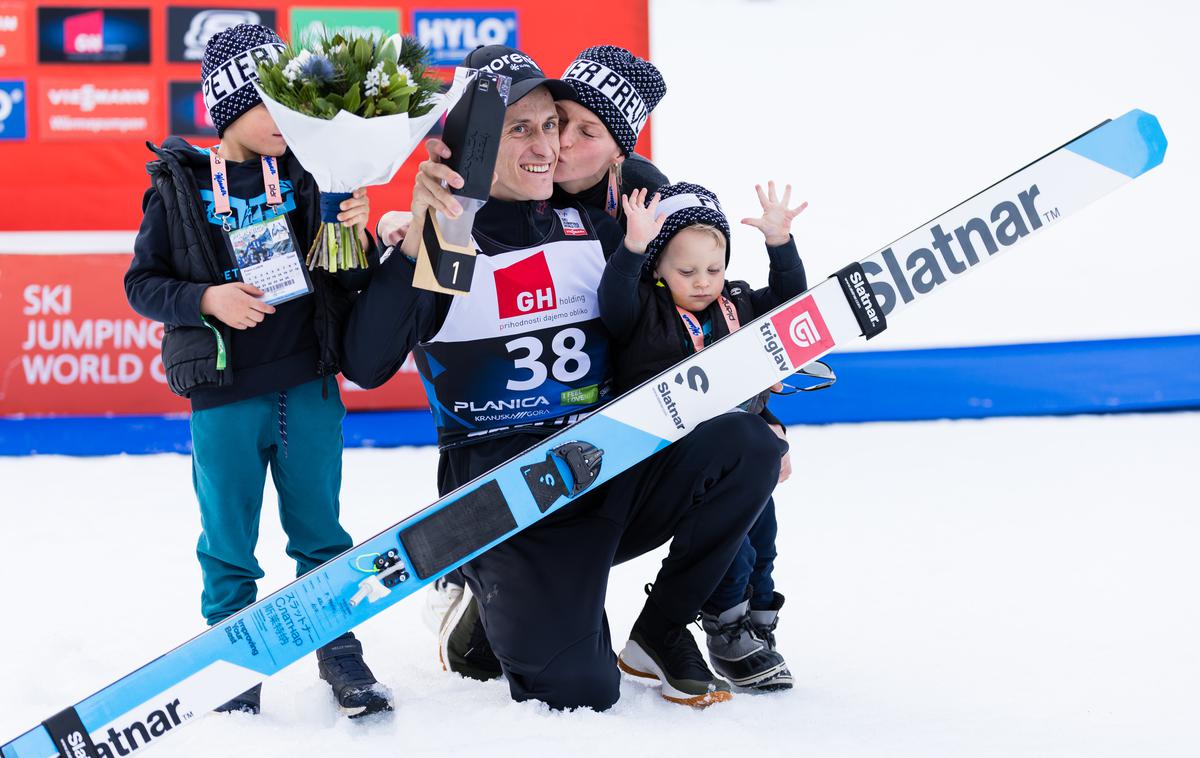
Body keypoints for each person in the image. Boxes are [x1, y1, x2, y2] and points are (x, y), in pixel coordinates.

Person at [344, 45, 786, 709]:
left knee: (748, 447)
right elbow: (369, 364)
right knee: (582, 694)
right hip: (513, 499)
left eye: (551, 125)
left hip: (609, 466)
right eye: (521, 128)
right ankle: (486, 608)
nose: (546, 145)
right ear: (475, 141)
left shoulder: (598, 223)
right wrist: (415, 236)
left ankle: (662, 629)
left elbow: (687, 312)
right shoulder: (455, 234)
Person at [123, 23, 389, 719]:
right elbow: (141, 283)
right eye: (272, 106)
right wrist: (205, 298)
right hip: (223, 395)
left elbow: (349, 275)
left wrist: (355, 228)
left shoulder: (310, 178)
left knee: (322, 532)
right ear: (229, 109)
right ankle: (231, 660)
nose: (287, 123)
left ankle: (339, 650)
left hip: (307, 382)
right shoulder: (178, 186)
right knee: (228, 539)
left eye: (295, 108)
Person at [600, 180, 808, 690]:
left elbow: (789, 303)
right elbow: (613, 302)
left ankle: (759, 618)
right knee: (730, 539)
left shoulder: (735, 303)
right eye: (686, 271)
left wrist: (780, 245)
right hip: (674, 463)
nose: (702, 282)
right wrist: (631, 249)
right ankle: (725, 625)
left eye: (713, 269)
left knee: (763, 534)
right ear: (658, 270)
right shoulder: (645, 311)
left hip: (740, 454)